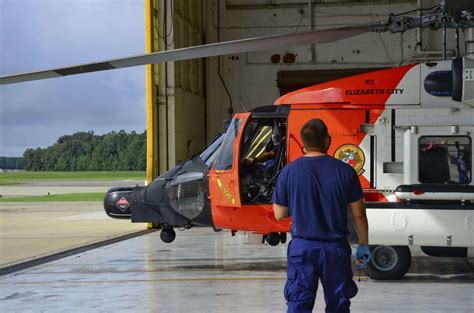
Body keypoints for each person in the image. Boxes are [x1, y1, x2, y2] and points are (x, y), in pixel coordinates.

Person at [272, 118, 371, 313]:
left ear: (303, 144)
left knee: (298, 303)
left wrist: (302, 201)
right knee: (338, 304)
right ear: (327, 139)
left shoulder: (289, 172)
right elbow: (358, 215)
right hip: (335, 250)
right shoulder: (345, 171)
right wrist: (364, 243)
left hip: (303, 249)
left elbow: (279, 214)